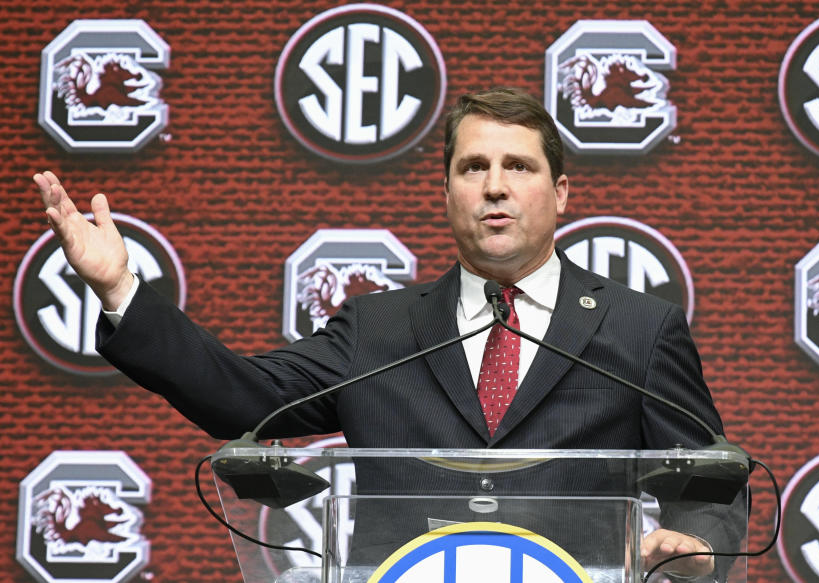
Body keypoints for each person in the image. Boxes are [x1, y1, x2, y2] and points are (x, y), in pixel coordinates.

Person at [36, 87, 740, 580]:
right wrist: (119, 289)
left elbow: (710, 481)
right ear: (447, 193)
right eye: (473, 168)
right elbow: (242, 397)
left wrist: (699, 546)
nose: (495, 186)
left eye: (518, 167)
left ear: (559, 193)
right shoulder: (378, 328)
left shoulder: (639, 329)